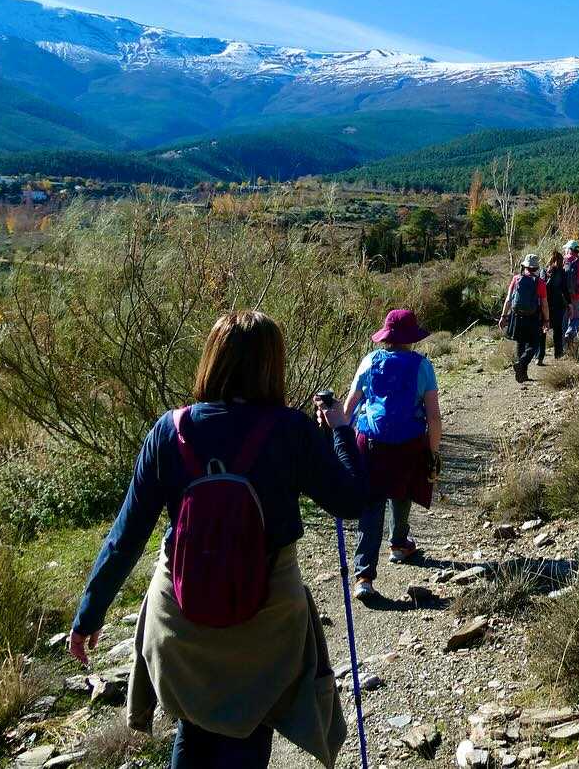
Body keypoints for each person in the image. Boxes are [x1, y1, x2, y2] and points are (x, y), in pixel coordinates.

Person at [69, 310, 366, 769]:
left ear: (212, 360)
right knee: (248, 723)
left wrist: (89, 615)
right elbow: (351, 500)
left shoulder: (169, 431)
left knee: (195, 725)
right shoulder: (290, 429)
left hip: (181, 618)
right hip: (266, 618)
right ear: (273, 365)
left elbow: (125, 536)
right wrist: (342, 432)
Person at [343, 308, 442, 601]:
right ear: (412, 338)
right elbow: (434, 418)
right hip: (408, 442)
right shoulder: (423, 366)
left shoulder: (370, 361)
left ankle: (364, 577)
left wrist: (342, 443)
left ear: (386, 337)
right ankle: (399, 544)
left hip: (370, 440)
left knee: (371, 506)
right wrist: (433, 452)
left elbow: (350, 406)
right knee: (403, 491)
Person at [500, 253, 549, 382]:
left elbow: (509, 299)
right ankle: (522, 365)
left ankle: (522, 372)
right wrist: (547, 320)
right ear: (536, 268)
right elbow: (544, 304)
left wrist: (503, 316)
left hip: (517, 316)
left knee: (520, 343)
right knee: (534, 343)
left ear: (525, 266)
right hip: (533, 317)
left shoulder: (516, 279)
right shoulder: (540, 282)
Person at [540, 250, 570, 362]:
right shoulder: (561, 272)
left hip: (544, 304)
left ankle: (540, 356)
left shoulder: (543, 271)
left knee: (543, 330)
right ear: (560, 261)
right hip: (557, 304)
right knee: (557, 331)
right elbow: (565, 290)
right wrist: (570, 304)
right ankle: (558, 354)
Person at [561, 240, 579, 343]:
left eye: (566, 249)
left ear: (569, 249)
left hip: (563, 297)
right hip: (577, 296)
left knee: (563, 320)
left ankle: (562, 344)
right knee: (576, 318)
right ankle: (570, 334)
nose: (565, 250)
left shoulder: (561, 261)